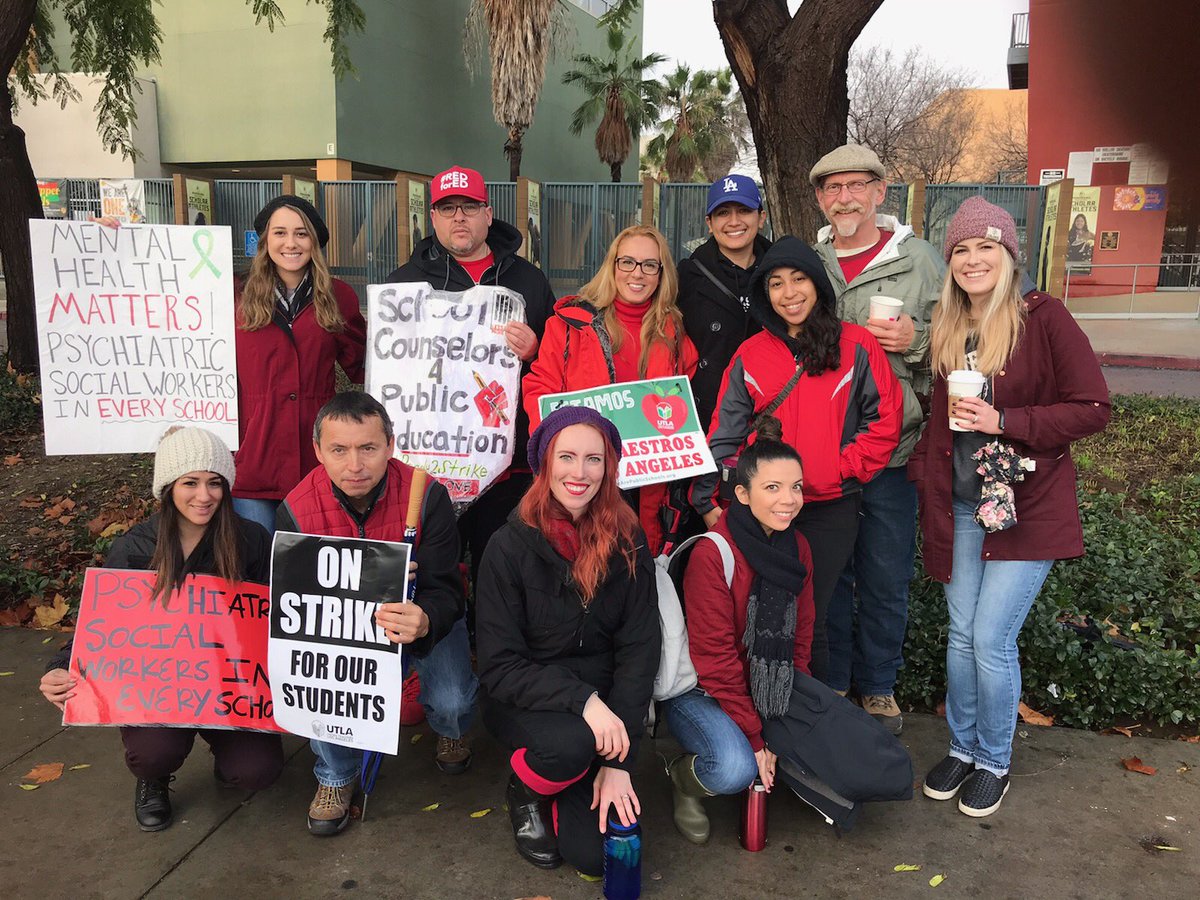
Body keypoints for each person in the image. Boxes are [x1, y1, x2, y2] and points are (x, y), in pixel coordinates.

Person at [908, 196, 1110, 817]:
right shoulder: (949, 324)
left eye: (986, 247)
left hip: (1025, 505)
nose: (973, 259)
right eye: (961, 250)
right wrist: (923, 477)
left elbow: (1092, 408)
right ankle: (962, 748)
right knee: (961, 636)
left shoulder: (1042, 317)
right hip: (962, 504)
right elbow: (941, 425)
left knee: (991, 638)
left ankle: (993, 759)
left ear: (1009, 255)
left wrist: (1005, 420)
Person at [38, 427, 282, 832]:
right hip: (158, 685)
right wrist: (60, 667)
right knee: (151, 753)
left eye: (215, 482)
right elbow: (98, 627)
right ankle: (153, 778)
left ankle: (228, 754)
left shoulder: (251, 540)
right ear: (168, 487)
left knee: (256, 770)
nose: (204, 495)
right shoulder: (135, 549)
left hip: (228, 685)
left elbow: (274, 619)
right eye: (190, 482)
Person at [691, 236, 903, 685]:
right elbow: (725, 433)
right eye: (776, 283)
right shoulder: (751, 353)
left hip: (828, 507)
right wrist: (712, 498)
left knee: (811, 616)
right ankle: (760, 703)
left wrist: (838, 469)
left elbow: (884, 419)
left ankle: (810, 708)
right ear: (764, 293)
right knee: (757, 610)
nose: (789, 293)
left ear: (817, 284)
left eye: (799, 279)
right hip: (762, 509)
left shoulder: (857, 345)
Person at [276, 392, 477, 836]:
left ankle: (451, 728)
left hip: (418, 618)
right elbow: (295, 612)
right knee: (320, 686)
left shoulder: (427, 495)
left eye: (368, 448)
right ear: (318, 451)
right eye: (339, 450)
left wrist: (426, 618)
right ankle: (335, 774)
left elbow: (447, 587)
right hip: (341, 634)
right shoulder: (295, 509)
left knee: (453, 702)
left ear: (390, 444)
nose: (355, 465)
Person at [475, 406, 660, 876]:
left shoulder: (629, 539)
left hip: (604, 712)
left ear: (609, 466)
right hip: (527, 699)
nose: (579, 473)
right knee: (569, 746)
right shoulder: (507, 546)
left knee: (595, 858)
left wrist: (621, 763)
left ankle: (573, 778)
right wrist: (584, 702)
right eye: (567, 457)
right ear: (544, 462)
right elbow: (498, 666)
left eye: (593, 459)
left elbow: (640, 649)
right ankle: (526, 790)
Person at [809, 144, 945, 732]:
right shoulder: (811, 262)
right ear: (820, 198)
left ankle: (880, 686)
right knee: (831, 574)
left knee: (886, 575)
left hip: (891, 451)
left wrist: (918, 340)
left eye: (856, 186)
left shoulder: (920, 261)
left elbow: (966, 342)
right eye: (833, 188)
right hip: (824, 452)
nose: (845, 199)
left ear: (880, 192)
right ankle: (835, 681)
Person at [386, 165, 556, 616]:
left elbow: (557, 361)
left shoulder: (527, 280)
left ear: (488, 213)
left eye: (469, 207)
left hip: (506, 462)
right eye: (447, 209)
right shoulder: (404, 283)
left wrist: (534, 350)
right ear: (433, 218)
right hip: (428, 461)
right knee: (431, 569)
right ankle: (436, 645)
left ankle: (495, 647)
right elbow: (388, 369)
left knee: (504, 567)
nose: (458, 217)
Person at [663, 417, 813, 843]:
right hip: (702, 689)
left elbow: (801, 638)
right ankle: (681, 779)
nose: (789, 500)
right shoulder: (714, 553)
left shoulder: (797, 547)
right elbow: (715, 659)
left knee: (827, 751)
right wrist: (755, 734)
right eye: (773, 488)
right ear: (742, 494)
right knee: (734, 768)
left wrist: (788, 712)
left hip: (765, 683)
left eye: (796, 487)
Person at [523, 225, 699, 554]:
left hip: (647, 485)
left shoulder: (674, 332)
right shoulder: (569, 324)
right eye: (627, 262)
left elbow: (685, 401)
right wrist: (561, 447)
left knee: (634, 566)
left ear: (661, 274)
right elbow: (539, 390)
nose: (638, 273)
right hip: (582, 477)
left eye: (650, 265)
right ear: (612, 265)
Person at [677, 174, 772, 431]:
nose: (734, 221)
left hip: (771, 414)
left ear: (761, 217)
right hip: (707, 416)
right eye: (723, 213)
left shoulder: (783, 272)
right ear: (709, 223)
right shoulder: (686, 277)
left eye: (744, 210)